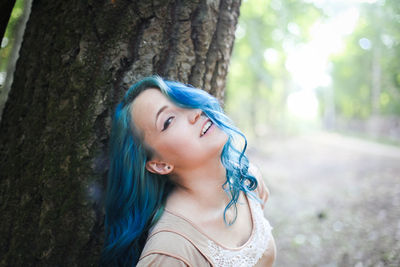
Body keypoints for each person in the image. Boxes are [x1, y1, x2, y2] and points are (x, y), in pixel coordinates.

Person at [101, 76, 276, 266]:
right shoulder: (171, 251)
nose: (195, 112)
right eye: (168, 121)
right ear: (160, 164)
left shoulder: (248, 179)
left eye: (184, 103)